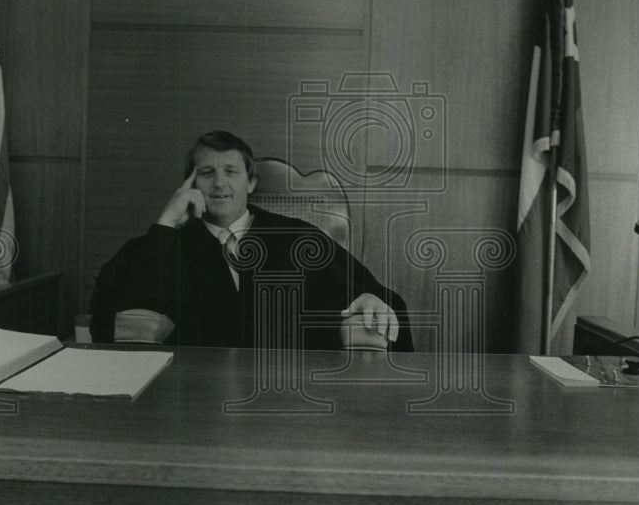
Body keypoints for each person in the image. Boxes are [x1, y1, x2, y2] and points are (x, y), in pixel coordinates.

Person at [89, 130, 413, 351]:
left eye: (231, 172)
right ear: (189, 184)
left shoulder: (296, 237)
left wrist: (371, 296)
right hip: (192, 397)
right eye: (206, 173)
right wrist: (166, 223)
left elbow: (370, 292)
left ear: (252, 183)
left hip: (288, 392)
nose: (219, 183)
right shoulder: (167, 243)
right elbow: (111, 306)